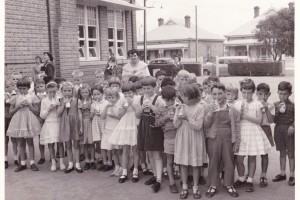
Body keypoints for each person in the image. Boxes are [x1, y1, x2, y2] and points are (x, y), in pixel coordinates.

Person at [233, 78, 272, 192]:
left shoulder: (257, 104)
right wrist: (238, 115)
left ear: (253, 92)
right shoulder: (237, 103)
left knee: (252, 157)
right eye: (244, 92)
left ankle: (249, 180)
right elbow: (235, 120)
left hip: (253, 131)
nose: (246, 95)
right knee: (239, 158)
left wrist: (244, 116)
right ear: (241, 91)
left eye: (249, 92)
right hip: (241, 132)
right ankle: (241, 178)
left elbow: (259, 121)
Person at [204, 83, 240, 198]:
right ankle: (213, 184)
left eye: (220, 93)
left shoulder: (232, 108)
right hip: (213, 137)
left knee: (229, 161)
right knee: (213, 161)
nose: (217, 96)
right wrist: (211, 113)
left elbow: (237, 126)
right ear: (211, 94)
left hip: (228, 137)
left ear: (224, 93)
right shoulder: (208, 107)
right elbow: (206, 124)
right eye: (214, 94)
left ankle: (229, 184)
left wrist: (237, 142)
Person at [173, 84, 206, 199]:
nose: (181, 98)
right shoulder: (181, 107)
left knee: (195, 164)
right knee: (183, 163)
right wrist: (177, 114)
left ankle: (196, 187)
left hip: (195, 137)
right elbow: (175, 125)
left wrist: (187, 118)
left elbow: (198, 126)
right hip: (183, 137)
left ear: (191, 97)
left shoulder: (200, 108)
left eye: (184, 96)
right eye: (181, 96)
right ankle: (185, 186)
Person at [136, 76, 165, 193]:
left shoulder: (159, 99)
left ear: (155, 87)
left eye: (148, 88)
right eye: (144, 88)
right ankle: (154, 174)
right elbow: (137, 115)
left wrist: (152, 107)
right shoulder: (141, 98)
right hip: (144, 126)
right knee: (149, 153)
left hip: (154, 128)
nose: (146, 91)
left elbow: (161, 114)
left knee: (157, 153)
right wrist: (141, 108)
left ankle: (159, 179)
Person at [7, 78, 41, 172]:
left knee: (30, 142)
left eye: (24, 88)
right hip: (18, 121)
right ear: (17, 88)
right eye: (20, 88)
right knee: (20, 143)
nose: (22, 90)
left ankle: (32, 162)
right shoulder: (15, 98)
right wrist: (18, 106)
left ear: (28, 88)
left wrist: (29, 105)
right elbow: (10, 113)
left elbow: (37, 112)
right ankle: (22, 163)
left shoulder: (32, 97)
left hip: (29, 120)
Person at [109, 82, 139, 183]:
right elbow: (119, 114)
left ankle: (135, 171)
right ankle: (124, 172)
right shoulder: (122, 100)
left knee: (135, 150)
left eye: (129, 93)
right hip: (125, 124)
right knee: (125, 149)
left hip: (134, 123)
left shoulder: (137, 99)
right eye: (125, 93)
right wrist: (124, 108)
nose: (127, 95)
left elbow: (139, 113)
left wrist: (132, 104)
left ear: (134, 92)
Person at [154, 86, 179, 193]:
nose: (170, 102)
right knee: (169, 161)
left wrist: (177, 117)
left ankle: (184, 181)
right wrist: (166, 117)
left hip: (180, 137)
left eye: (172, 100)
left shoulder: (179, 107)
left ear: (175, 97)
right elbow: (156, 123)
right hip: (168, 138)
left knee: (181, 161)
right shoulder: (161, 109)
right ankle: (172, 183)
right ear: (163, 99)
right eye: (167, 100)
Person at [57, 82, 83, 173]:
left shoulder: (76, 100)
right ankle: (70, 163)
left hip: (75, 123)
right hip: (65, 123)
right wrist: (63, 104)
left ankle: (77, 164)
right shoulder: (60, 100)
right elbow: (58, 113)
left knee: (76, 145)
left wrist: (81, 127)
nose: (67, 92)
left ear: (72, 91)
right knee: (67, 145)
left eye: (69, 90)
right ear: (61, 91)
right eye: (65, 91)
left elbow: (79, 114)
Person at [272, 81, 294, 186]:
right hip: (279, 129)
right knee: (282, 152)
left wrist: (293, 126)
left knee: (291, 153)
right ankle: (282, 173)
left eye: (285, 94)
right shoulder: (275, 105)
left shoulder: (293, 106)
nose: (282, 96)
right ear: (277, 92)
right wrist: (277, 111)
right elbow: (274, 120)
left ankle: (292, 175)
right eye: (280, 93)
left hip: (289, 130)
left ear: (290, 93)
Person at [39, 81, 65, 171]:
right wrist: (49, 109)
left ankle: (61, 162)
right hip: (49, 123)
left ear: (57, 90)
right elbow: (42, 115)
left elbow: (61, 111)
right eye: (50, 92)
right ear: (47, 91)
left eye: (54, 91)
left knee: (60, 143)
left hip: (58, 122)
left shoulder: (59, 99)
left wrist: (60, 105)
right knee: (51, 144)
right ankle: (53, 162)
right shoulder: (44, 101)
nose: (52, 93)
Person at [100, 88, 125, 173]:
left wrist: (113, 115)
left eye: (113, 97)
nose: (111, 99)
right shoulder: (106, 105)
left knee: (119, 150)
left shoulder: (119, 106)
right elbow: (102, 117)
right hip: (108, 129)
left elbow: (120, 117)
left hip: (116, 129)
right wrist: (106, 107)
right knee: (113, 150)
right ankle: (116, 167)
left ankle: (122, 167)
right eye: (109, 97)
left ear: (117, 97)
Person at [255, 83, 275, 187]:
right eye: (260, 94)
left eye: (265, 94)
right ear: (256, 94)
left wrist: (266, 108)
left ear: (269, 94)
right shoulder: (254, 104)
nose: (263, 97)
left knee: (264, 154)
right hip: (255, 129)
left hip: (266, 129)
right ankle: (249, 175)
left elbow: (271, 120)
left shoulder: (271, 105)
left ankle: (263, 175)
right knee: (252, 153)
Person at [90, 85, 109, 170]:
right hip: (96, 124)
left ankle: (108, 161)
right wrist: (93, 112)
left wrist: (100, 113)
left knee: (106, 143)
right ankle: (103, 160)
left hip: (104, 124)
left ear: (102, 94)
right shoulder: (93, 104)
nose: (96, 96)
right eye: (94, 94)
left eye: (98, 94)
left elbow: (106, 116)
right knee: (100, 143)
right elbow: (90, 117)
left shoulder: (106, 103)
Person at [78, 84, 96, 170]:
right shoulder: (79, 101)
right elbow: (78, 113)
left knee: (91, 143)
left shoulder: (92, 101)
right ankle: (87, 161)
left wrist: (89, 108)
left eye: (86, 92)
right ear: (80, 93)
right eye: (82, 93)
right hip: (83, 122)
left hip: (91, 122)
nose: (85, 94)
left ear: (89, 93)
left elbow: (94, 111)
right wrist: (82, 108)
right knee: (85, 143)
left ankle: (92, 160)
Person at [5, 79, 18, 169]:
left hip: (12, 118)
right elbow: (7, 102)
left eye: (12, 85)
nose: (7, 88)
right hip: (4, 118)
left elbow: (14, 102)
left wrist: (11, 98)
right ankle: (5, 159)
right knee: (5, 140)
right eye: (6, 86)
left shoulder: (16, 94)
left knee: (14, 139)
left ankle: (16, 157)